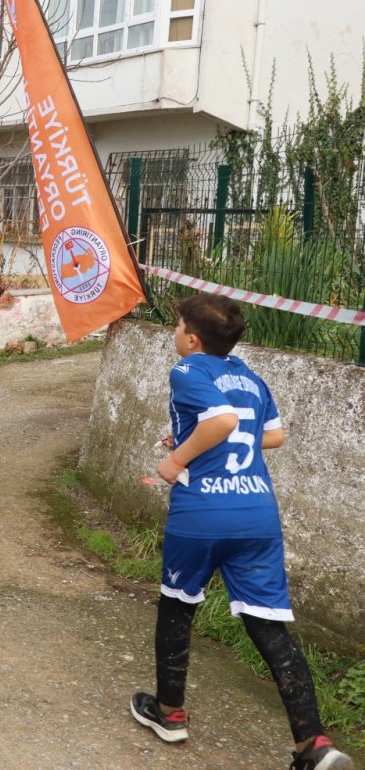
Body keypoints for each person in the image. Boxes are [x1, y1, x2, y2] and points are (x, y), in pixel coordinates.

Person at [130, 294, 352, 770]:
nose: (175, 333)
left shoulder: (187, 370)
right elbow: (271, 436)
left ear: (192, 338)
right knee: (268, 626)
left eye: (177, 326)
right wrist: (192, 436)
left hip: (203, 514)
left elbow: (224, 421)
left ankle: (170, 714)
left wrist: (176, 459)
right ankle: (314, 744)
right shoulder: (250, 376)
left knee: (177, 606)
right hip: (257, 513)